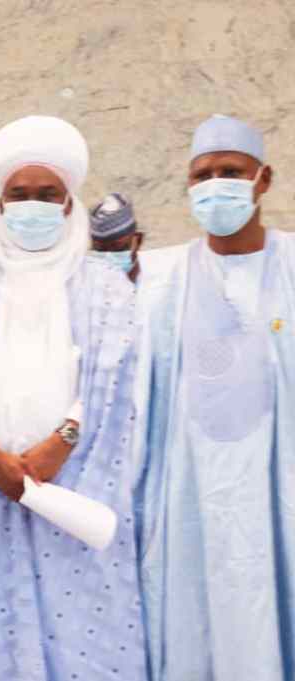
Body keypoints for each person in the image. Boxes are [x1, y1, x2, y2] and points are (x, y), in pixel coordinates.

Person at [0, 116, 147, 681]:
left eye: (48, 194)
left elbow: (116, 385)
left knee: (83, 636)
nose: (32, 206)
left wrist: (60, 443)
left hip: (78, 483)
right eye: (19, 194)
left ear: (69, 204)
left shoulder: (105, 287)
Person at [135, 114, 294, 681]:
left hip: (283, 485)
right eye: (201, 176)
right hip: (190, 494)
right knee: (197, 619)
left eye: (230, 171)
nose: (214, 185)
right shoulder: (160, 277)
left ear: (263, 179)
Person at [90, 192, 144, 282]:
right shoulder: (85, 285)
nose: (109, 258)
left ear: (138, 241)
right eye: (100, 251)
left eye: (119, 249)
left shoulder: (159, 283)